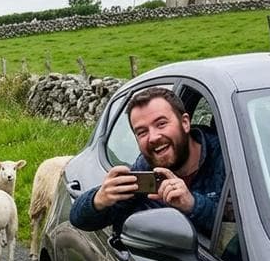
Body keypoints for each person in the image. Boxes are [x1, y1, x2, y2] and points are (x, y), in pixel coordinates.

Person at [70, 87, 225, 237]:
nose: (153, 137)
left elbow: (241, 229)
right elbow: (78, 220)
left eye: (161, 124)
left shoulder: (227, 158)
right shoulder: (146, 168)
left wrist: (193, 204)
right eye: (142, 132)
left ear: (185, 123)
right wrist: (99, 199)